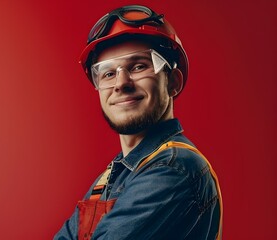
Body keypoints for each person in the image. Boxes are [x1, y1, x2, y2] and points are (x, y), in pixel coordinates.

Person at [54, 4, 222, 240]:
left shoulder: (175, 169)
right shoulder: (113, 176)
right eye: (108, 74)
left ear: (173, 82)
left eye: (139, 66)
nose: (121, 83)